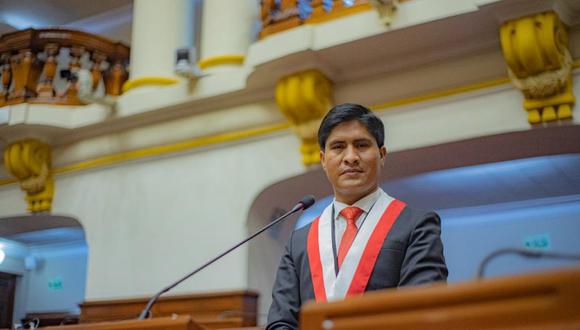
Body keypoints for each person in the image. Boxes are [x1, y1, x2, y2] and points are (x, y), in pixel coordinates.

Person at [266, 103, 448, 330]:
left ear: (381, 155)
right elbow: (281, 322)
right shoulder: (298, 241)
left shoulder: (416, 226)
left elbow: (419, 313)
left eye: (361, 145)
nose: (350, 157)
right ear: (323, 159)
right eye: (338, 147)